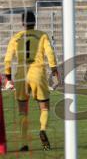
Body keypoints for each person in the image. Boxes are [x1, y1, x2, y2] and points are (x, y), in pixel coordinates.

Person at [4, 10, 60, 151]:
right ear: (35, 22)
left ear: (22, 23)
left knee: (23, 110)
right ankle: (42, 129)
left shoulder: (16, 37)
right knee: (44, 106)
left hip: (22, 75)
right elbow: (50, 53)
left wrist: (8, 78)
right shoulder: (42, 35)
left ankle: (24, 143)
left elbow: (8, 59)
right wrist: (54, 70)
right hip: (38, 73)